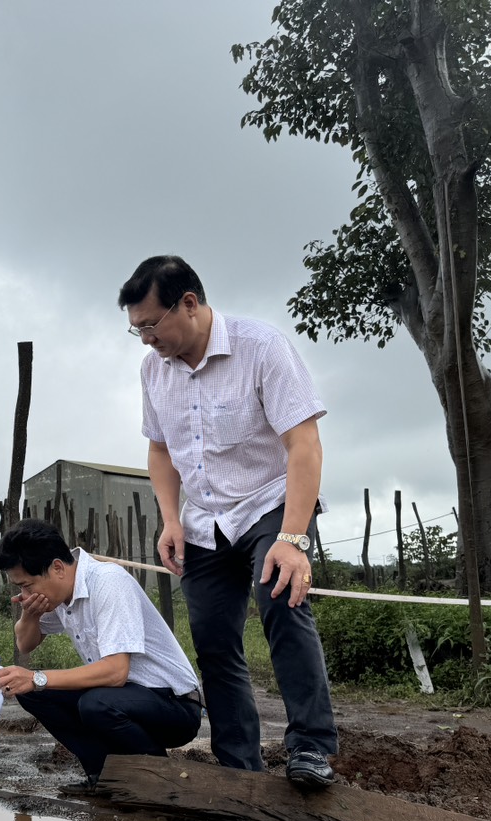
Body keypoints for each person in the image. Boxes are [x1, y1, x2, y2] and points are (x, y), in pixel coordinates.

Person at [117, 254, 338, 788]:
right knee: (214, 640)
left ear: (188, 303)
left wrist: (291, 537)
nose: (146, 339)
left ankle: (311, 749)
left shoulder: (261, 347)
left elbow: (303, 444)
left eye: (151, 324)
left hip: (268, 505)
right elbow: (161, 452)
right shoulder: (154, 370)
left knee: (282, 603)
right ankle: (240, 765)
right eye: (135, 330)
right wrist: (172, 520)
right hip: (205, 520)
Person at [0, 518, 203, 794]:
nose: (25, 593)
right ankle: (101, 776)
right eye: (20, 588)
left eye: (27, 585)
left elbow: (116, 672)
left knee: (95, 703)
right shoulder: (58, 593)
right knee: (33, 692)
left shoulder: (107, 583)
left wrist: (37, 677)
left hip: (175, 706)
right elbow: (25, 644)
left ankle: (157, 777)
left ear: (57, 568)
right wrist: (29, 613)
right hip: (127, 697)